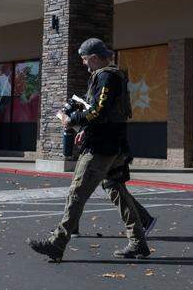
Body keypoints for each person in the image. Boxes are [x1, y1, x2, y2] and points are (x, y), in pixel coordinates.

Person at [28, 38, 155, 262]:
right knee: (115, 188)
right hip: (113, 143)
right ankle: (138, 242)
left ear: (94, 58)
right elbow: (103, 112)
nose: (86, 66)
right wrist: (85, 126)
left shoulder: (106, 76)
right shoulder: (114, 75)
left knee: (77, 192)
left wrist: (71, 118)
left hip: (101, 146)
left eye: (86, 61)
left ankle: (57, 243)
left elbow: (99, 111)